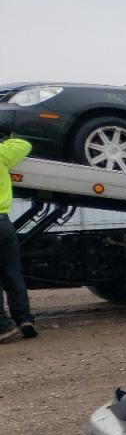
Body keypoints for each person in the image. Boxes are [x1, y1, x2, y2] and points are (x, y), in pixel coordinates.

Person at [0, 137, 38, 344]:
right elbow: (25, 145)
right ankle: (24, 319)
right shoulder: (2, 153)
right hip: (3, 223)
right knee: (12, 273)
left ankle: (2, 327)